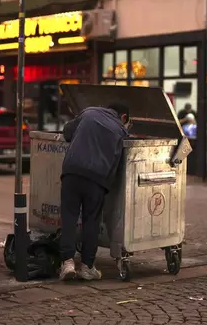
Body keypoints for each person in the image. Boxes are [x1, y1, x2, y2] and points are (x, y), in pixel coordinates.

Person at [58, 103, 130, 281]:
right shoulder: (120, 131)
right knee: (91, 220)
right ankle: (87, 266)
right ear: (124, 117)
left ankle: (67, 262)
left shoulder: (88, 113)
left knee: (68, 218)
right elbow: (117, 161)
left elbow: (67, 132)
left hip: (72, 172)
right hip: (96, 179)